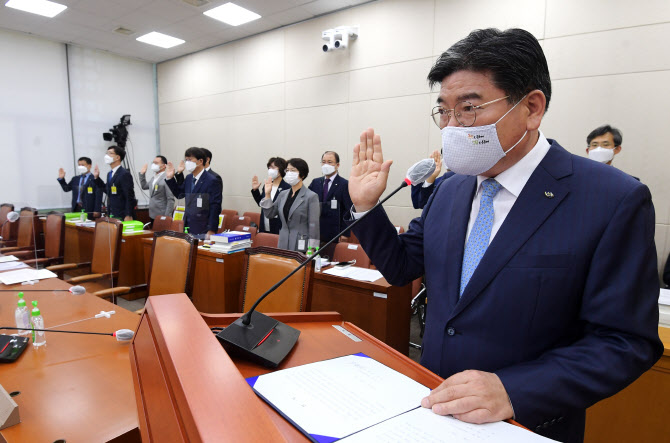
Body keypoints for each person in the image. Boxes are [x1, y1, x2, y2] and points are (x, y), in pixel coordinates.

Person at [346, 28, 661, 443]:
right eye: (444, 110)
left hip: (524, 425)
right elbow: (403, 267)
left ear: (531, 108)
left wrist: (516, 389)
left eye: (469, 108)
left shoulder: (612, 199)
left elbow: (624, 341)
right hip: (429, 411)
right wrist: (368, 208)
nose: (452, 126)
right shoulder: (451, 187)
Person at [260, 158, 319, 252]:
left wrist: (312, 249)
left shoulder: (311, 196)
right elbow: (269, 214)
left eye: (293, 170)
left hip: (301, 242)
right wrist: (267, 194)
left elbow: (314, 225)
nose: (289, 173)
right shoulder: (283, 194)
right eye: (287, 170)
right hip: (283, 241)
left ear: (302, 174)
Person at [165, 147, 222, 238]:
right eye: (186, 160)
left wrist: (212, 229)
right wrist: (170, 178)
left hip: (204, 227)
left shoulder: (211, 180)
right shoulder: (189, 178)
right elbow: (179, 194)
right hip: (188, 224)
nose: (187, 162)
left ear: (200, 161)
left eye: (190, 160)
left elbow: (215, 206)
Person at [307, 151, 352, 254]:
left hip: (334, 233)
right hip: (316, 232)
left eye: (330, 162)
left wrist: (345, 233)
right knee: (312, 262)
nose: (326, 165)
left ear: (337, 165)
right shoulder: (315, 182)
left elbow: (348, 210)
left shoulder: (344, 184)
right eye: (323, 162)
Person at [94, 146, 135, 220]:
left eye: (110, 153)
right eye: (106, 153)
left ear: (117, 157)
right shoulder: (110, 173)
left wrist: (128, 214)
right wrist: (97, 178)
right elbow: (108, 191)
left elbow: (129, 196)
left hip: (122, 213)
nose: (106, 156)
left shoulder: (124, 174)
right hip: (112, 212)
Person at [251, 157, 290, 234]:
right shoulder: (267, 185)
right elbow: (261, 203)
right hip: (264, 223)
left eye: (273, 167)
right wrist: (255, 190)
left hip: (278, 226)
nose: (270, 170)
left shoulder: (287, 188)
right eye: (269, 168)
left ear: (280, 170)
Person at [139, 155, 175, 225]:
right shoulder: (154, 178)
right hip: (152, 214)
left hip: (162, 214)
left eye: (156, 163)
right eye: (153, 163)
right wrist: (142, 174)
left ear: (164, 166)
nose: (153, 165)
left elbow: (170, 199)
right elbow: (144, 186)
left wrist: (167, 217)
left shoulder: (167, 178)